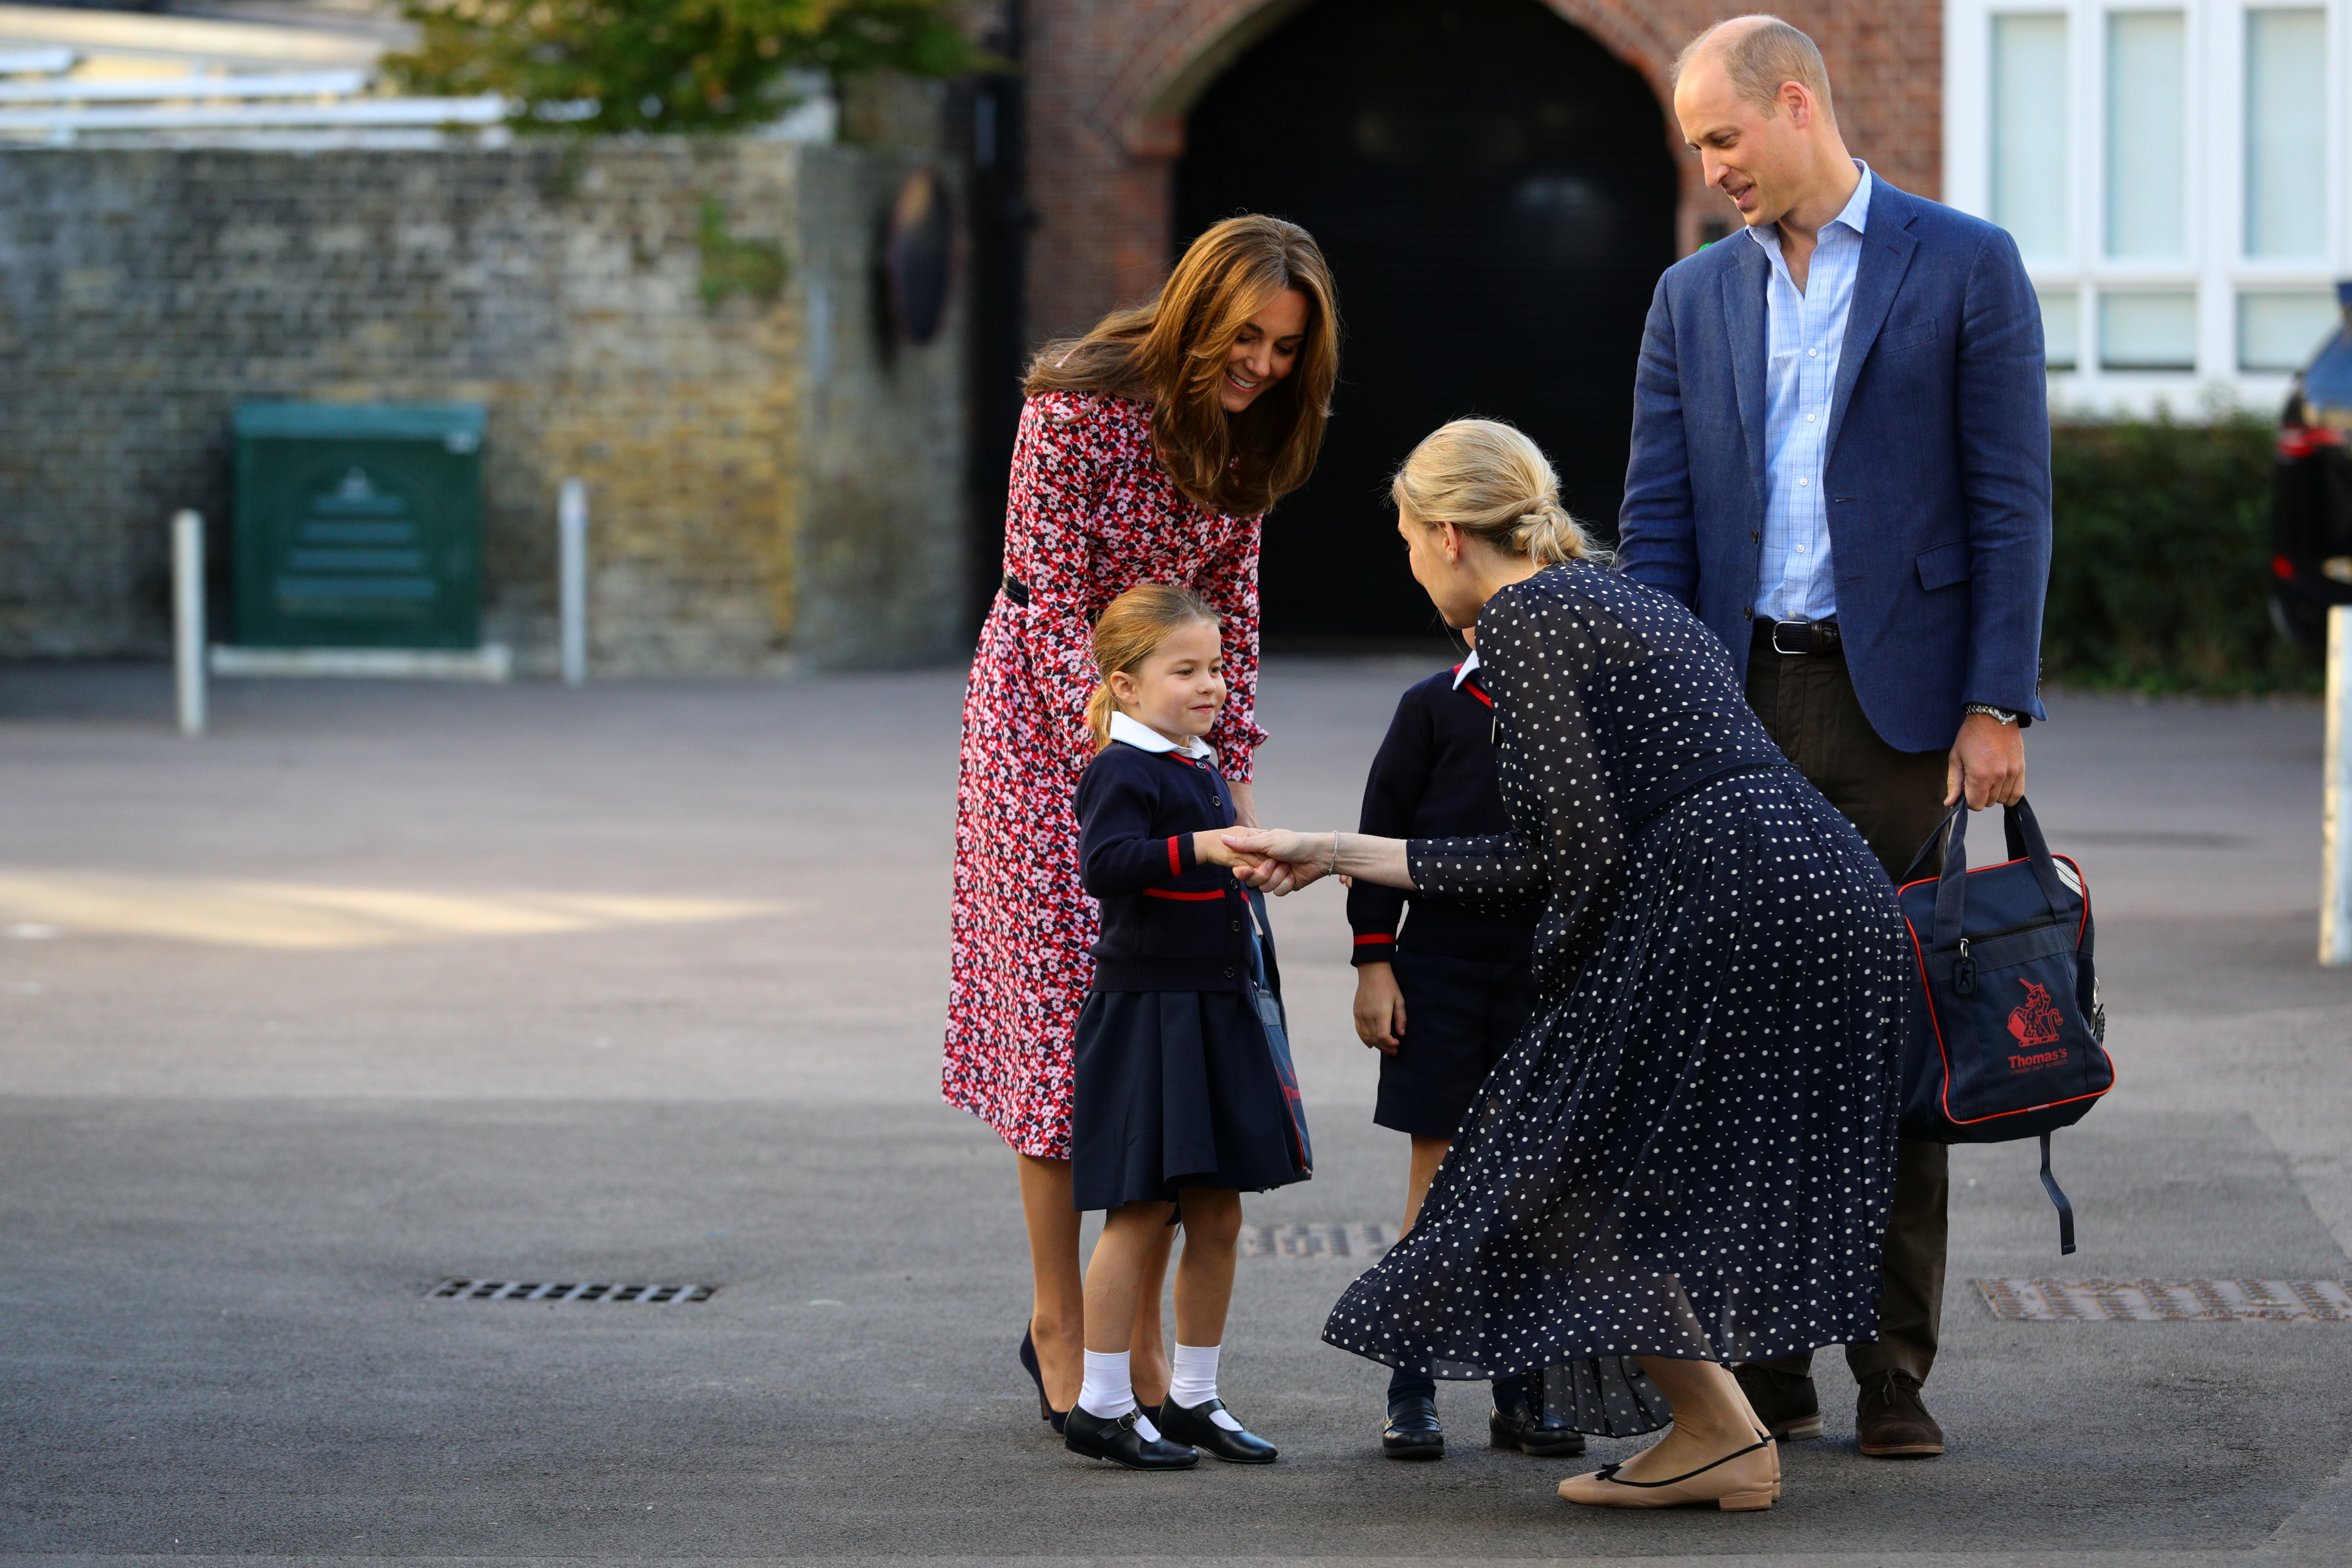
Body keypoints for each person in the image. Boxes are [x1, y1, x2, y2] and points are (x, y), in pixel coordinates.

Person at [1226, 419, 1907, 1513]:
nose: (1407, 566)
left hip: (1721, 898)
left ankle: (1720, 1433)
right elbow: (1566, 841)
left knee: (1551, 1164)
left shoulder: (1525, 619)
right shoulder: (1621, 595)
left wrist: (1556, 1007)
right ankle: (1720, 1434)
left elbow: (1556, 859)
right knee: (1605, 1170)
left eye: (1405, 540)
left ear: (1449, 535)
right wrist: (1338, 852)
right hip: (1818, 883)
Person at [1617, 15, 2052, 1459]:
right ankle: (1770, 1361)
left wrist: (1995, 703)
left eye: (1721, 138)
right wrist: (1660, 713)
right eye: (1698, 149)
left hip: (1899, 719)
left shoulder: (1963, 262)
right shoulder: (1689, 299)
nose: (1710, 169)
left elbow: (2009, 498)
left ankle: (1894, 1370)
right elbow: (1658, 522)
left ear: (1794, 104)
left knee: (1891, 1032)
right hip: (1738, 704)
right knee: (1745, 1040)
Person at [941, 215, 1339, 1436]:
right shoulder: (1075, 405)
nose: (1266, 365)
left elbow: (1237, 620)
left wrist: (1237, 780)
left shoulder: (1256, 432)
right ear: (1196, 310)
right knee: (1072, 1029)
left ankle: (1143, 1338)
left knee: (1171, 1030)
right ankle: (1061, 1324)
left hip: (1175, 730)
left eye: (1287, 349)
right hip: (1044, 729)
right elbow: (1058, 604)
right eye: (1251, 337)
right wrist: (1142, 761)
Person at [1065, 583, 1305, 1470]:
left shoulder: (1197, 763)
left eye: (1218, 668)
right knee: (1140, 1213)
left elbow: (1211, 873)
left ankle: (1195, 1399)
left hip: (1217, 1006)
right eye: (1187, 670)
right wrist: (1204, 849)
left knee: (1220, 1215)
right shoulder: (1122, 769)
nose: (1212, 685)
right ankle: (1100, 1403)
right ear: (1127, 686)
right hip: (1151, 1015)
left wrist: (1259, 862)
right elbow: (1106, 866)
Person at [1345, 631, 1576, 1464]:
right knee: (1437, 1179)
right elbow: (1378, 836)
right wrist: (1375, 960)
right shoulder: (1433, 707)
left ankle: (1524, 1389)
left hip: (1547, 976)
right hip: (1437, 973)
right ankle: (1411, 1386)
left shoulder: (1579, 708)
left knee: (1533, 1186)